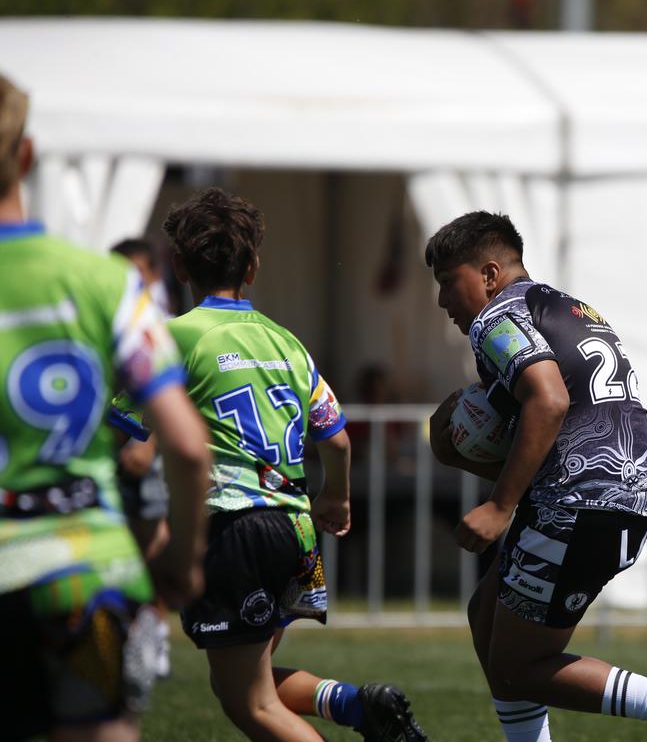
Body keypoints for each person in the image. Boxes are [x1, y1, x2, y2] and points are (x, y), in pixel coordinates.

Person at [425, 211, 647, 742]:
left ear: (487, 274)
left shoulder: (496, 318)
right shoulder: (566, 305)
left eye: (447, 284)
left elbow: (548, 401)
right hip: (619, 485)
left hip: (579, 498)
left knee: (519, 665)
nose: (442, 302)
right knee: (487, 613)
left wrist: (499, 505)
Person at [161, 187, 428, 741]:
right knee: (246, 680)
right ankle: (358, 706)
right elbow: (337, 439)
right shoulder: (287, 343)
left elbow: (130, 438)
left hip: (231, 527)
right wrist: (336, 498)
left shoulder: (174, 339)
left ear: (179, 265)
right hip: (294, 529)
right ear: (254, 267)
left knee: (249, 704)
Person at [0, 73, 211, 741]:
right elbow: (185, 443)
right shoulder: (109, 282)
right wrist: (182, 558)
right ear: (26, 156)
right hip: (84, 569)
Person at [110, 238, 175, 678]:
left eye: (137, 270)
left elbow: (167, 396)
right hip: (107, 453)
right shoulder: (104, 314)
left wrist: (146, 442)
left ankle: (157, 630)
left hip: (145, 447)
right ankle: (122, 632)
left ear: (153, 274)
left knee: (154, 544)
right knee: (117, 547)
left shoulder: (161, 322)